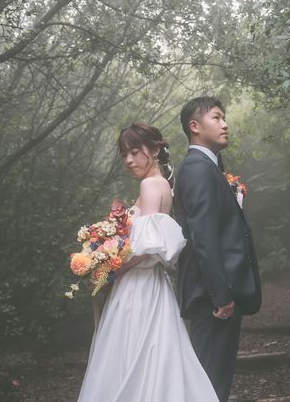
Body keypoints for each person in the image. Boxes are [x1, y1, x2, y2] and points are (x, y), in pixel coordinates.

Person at [76, 122, 219, 402]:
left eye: (134, 152)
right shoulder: (162, 184)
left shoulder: (150, 185)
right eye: (124, 155)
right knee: (154, 355)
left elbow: (147, 249)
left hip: (138, 289)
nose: (128, 160)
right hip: (150, 286)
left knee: (132, 354)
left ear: (154, 150)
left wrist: (109, 272)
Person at [174, 96, 262, 402]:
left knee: (214, 384)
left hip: (219, 295)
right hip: (213, 299)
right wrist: (221, 296)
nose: (225, 124)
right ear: (194, 126)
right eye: (216, 117)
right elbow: (203, 237)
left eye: (224, 118)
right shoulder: (197, 168)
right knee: (209, 385)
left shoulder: (209, 166)